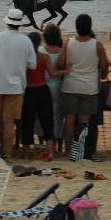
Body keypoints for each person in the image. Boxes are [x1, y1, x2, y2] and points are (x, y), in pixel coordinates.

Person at [0, 8, 37, 157]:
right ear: (20, 24)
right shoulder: (26, 41)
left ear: (7, 22)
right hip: (15, 86)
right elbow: (32, 65)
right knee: (8, 122)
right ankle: (8, 155)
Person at [57, 14, 107, 158]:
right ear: (90, 27)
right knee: (83, 122)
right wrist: (103, 74)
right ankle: (80, 152)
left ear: (76, 27)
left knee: (70, 119)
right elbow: (105, 66)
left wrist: (68, 67)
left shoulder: (69, 43)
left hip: (70, 85)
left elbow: (60, 63)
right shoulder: (97, 45)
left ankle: (67, 151)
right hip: (89, 88)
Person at [21, 32, 63, 160]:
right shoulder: (44, 57)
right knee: (47, 121)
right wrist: (66, 71)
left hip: (29, 91)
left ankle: (27, 152)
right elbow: (53, 73)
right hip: (43, 90)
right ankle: (50, 152)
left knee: (27, 122)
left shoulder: (24, 58)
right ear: (40, 43)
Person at [41, 23, 65, 154]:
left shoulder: (40, 51)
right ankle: (58, 146)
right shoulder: (61, 52)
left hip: (44, 86)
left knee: (43, 116)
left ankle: (45, 144)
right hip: (59, 86)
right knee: (58, 116)